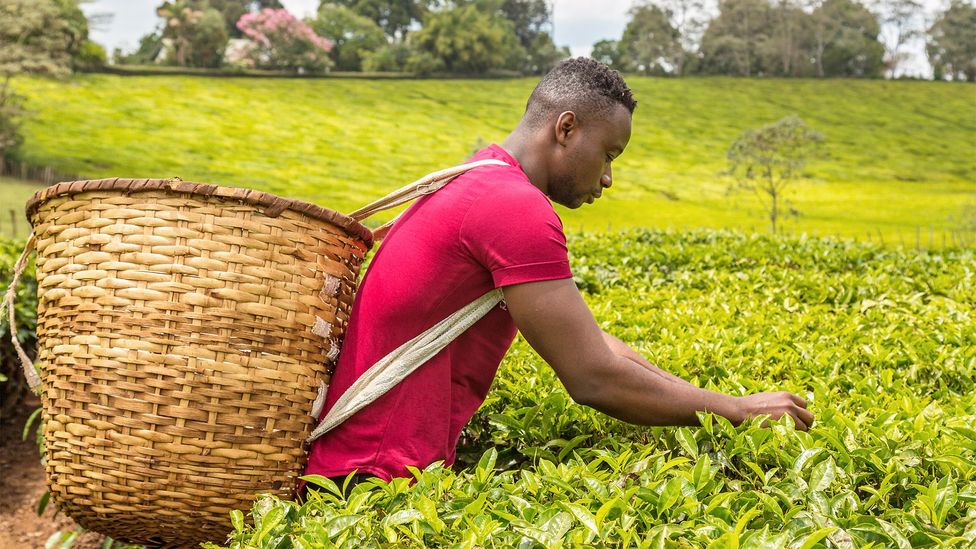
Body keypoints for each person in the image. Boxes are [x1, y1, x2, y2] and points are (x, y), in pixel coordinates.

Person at [304, 58, 813, 494]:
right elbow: (592, 377)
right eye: (609, 155)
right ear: (565, 129)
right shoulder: (513, 208)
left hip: (357, 471)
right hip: (374, 478)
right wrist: (737, 412)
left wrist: (728, 404)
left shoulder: (476, 179)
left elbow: (596, 346)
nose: (609, 177)